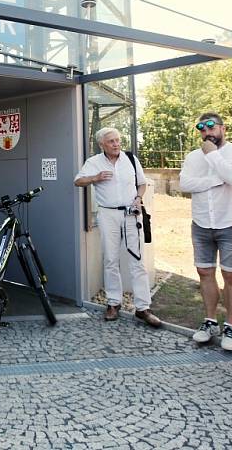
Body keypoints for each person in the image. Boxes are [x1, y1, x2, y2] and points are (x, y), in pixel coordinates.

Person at [74, 127, 161, 327]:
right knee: (110, 259)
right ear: (101, 145)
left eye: (118, 140)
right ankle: (114, 303)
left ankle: (143, 308)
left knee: (137, 259)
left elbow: (142, 184)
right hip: (108, 214)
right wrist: (95, 178)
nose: (116, 144)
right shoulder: (94, 162)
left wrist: (138, 198)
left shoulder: (131, 159)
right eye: (111, 141)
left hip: (131, 214)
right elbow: (78, 181)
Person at [179, 112, 232, 351]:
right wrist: (213, 180)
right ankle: (210, 321)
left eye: (211, 127)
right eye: (201, 129)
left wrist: (213, 155)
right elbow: (184, 185)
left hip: (229, 221)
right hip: (201, 222)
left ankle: (231, 326)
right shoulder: (192, 156)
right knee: (204, 272)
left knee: (231, 275)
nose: (206, 133)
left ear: (223, 128)